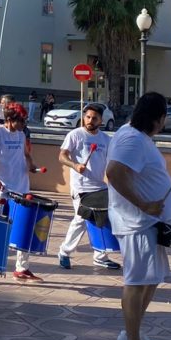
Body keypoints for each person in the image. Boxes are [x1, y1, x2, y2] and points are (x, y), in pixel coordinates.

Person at [105, 92, 171, 340]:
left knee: (151, 279)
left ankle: (132, 333)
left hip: (148, 223)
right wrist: (143, 203)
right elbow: (113, 173)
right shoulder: (131, 139)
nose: (163, 124)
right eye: (164, 118)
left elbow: (144, 174)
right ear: (158, 117)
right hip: (137, 223)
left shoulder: (139, 138)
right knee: (137, 282)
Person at [0, 102, 42, 282]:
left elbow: (26, 155)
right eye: (22, 121)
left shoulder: (20, 134)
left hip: (21, 188)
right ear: (11, 119)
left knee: (24, 229)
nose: (24, 124)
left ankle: (22, 268)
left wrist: (32, 165)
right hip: (1, 190)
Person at [56, 104, 120, 270]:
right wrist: (75, 165)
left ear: (101, 120)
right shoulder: (75, 135)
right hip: (81, 187)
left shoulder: (106, 140)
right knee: (82, 219)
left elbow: (112, 163)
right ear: (84, 117)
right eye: (88, 117)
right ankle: (64, 251)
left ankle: (100, 256)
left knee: (103, 218)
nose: (90, 120)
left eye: (94, 118)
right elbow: (62, 156)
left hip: (99, 186)